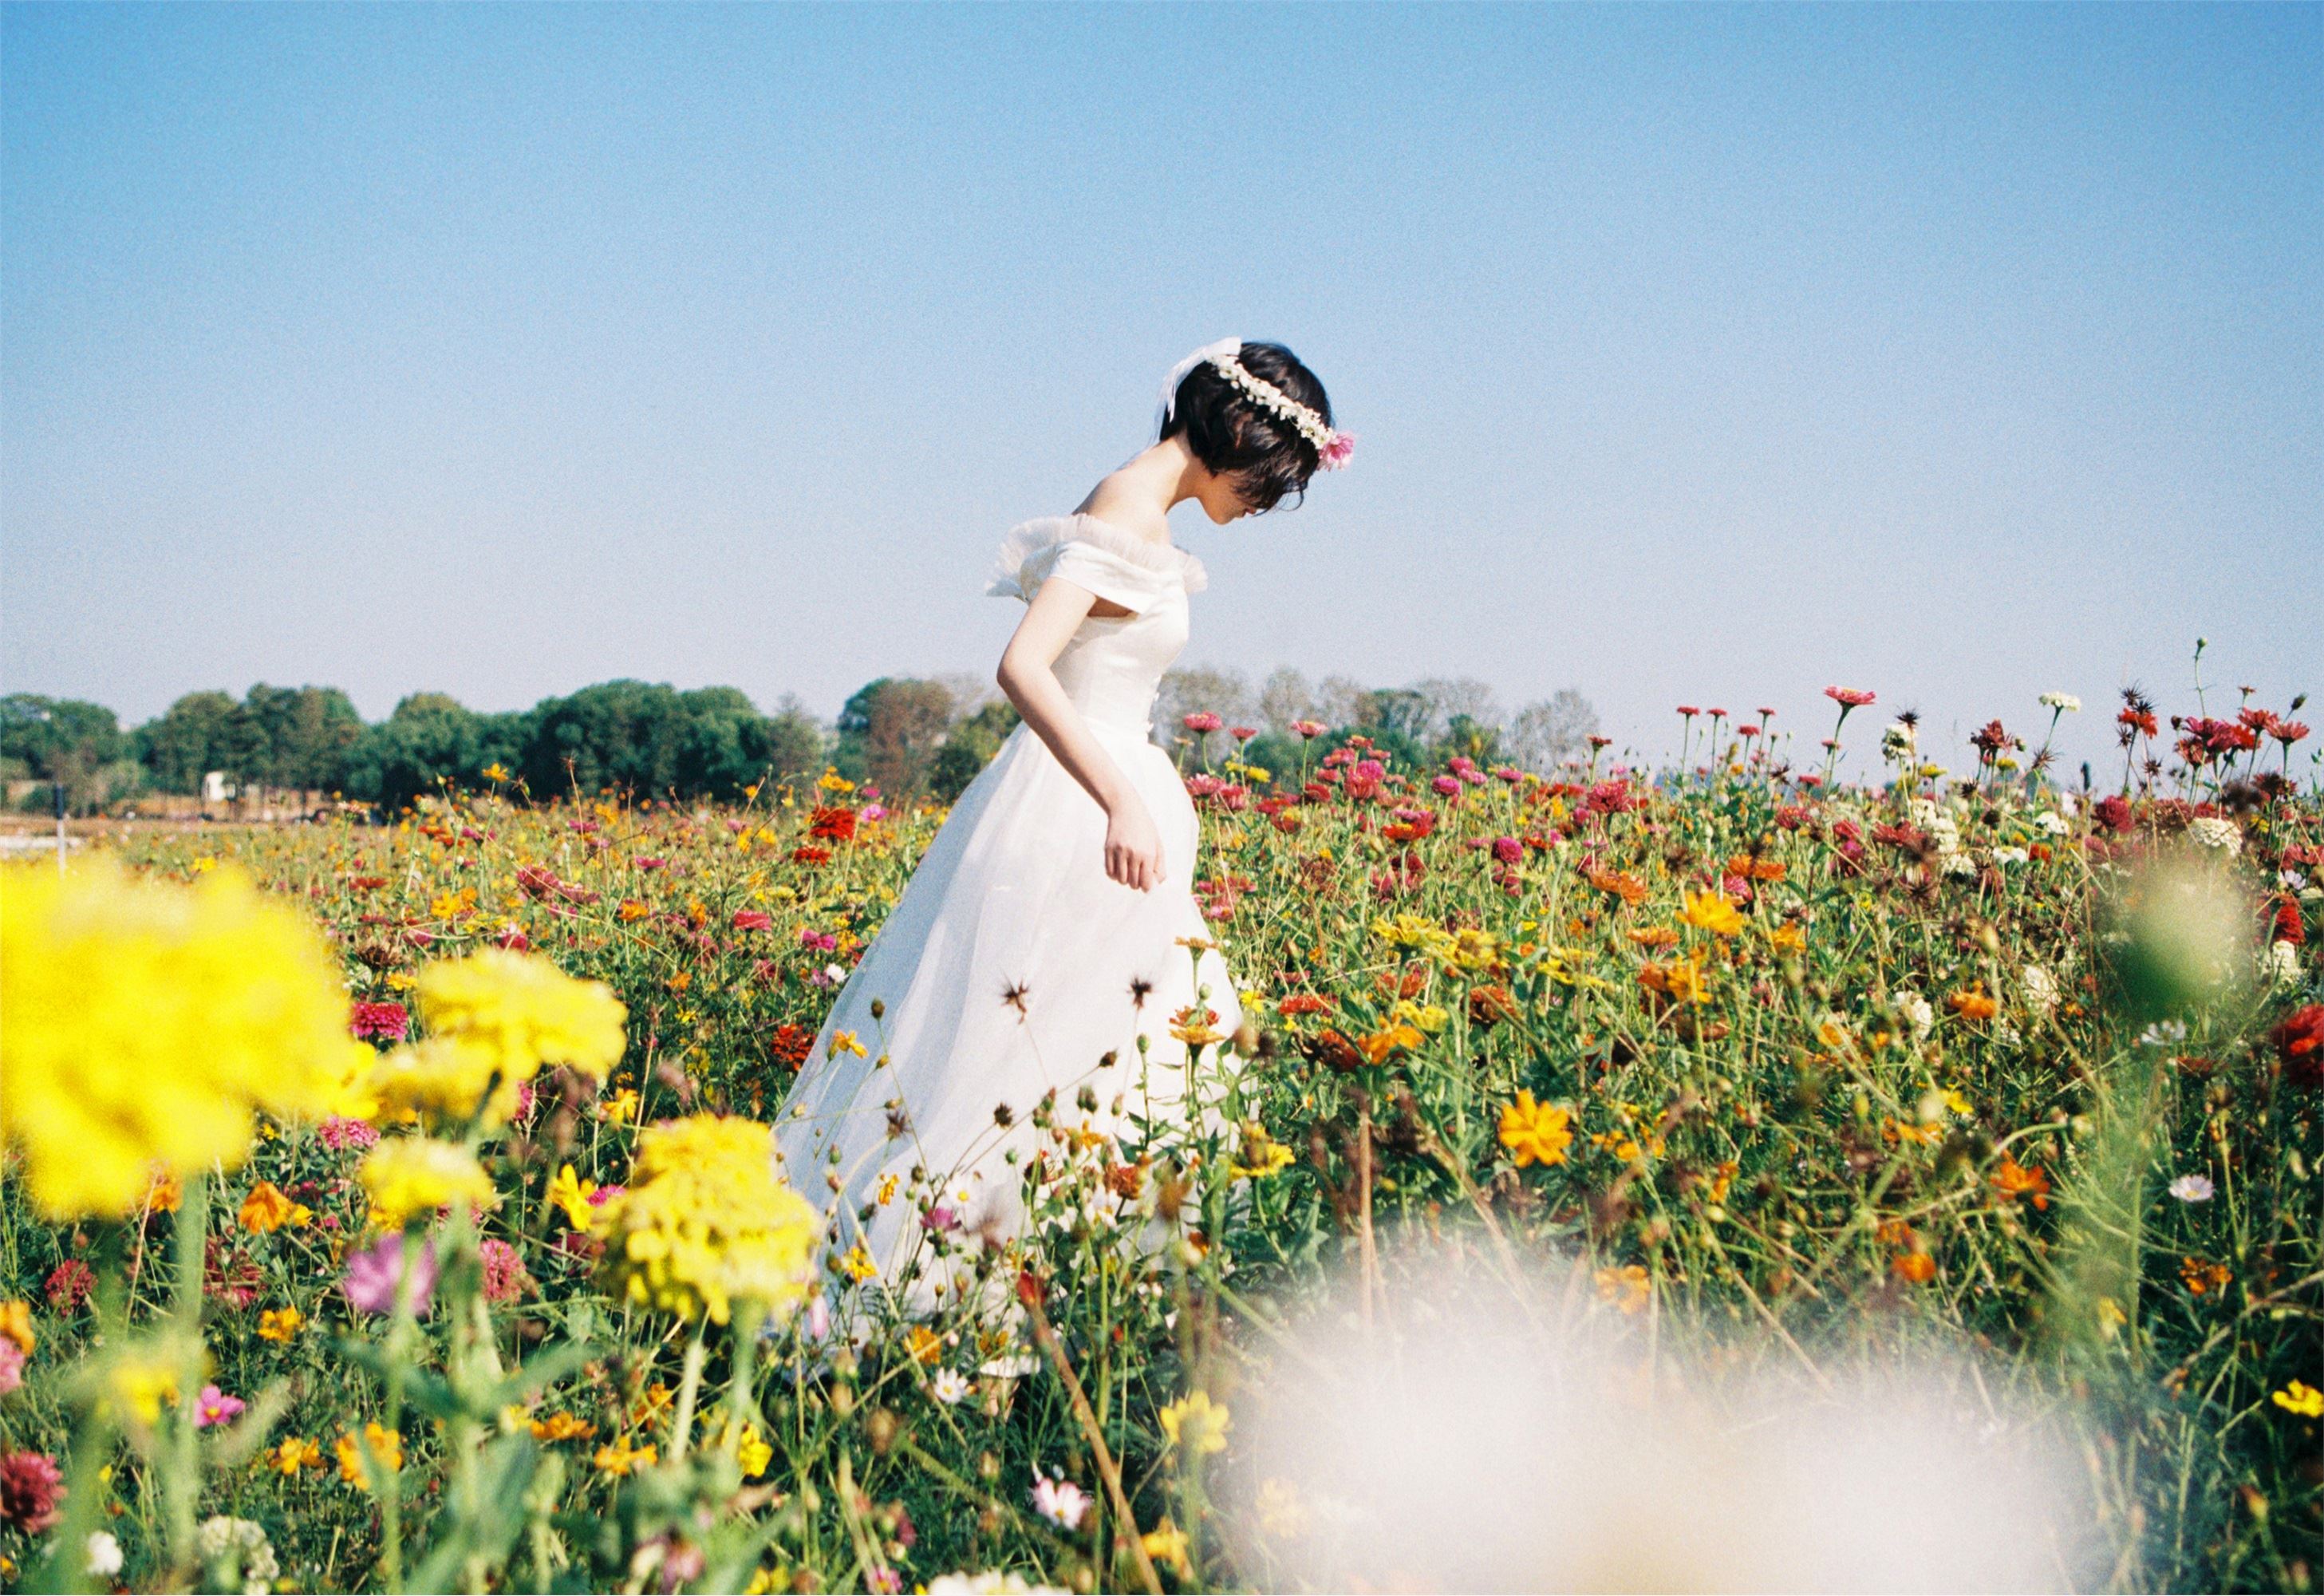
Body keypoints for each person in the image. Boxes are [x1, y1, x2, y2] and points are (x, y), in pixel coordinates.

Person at [771, 338, 1351, 1325]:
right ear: (1240, 431)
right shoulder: (1127, 508)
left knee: (1096, 1050)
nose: (1266, 502)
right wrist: (1119, 797)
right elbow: (1025, 665)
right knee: (1040, 1054)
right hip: (1077, 810)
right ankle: (976, 1303)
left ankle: (1067, 1302)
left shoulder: (1138, 509)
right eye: (1272, 479)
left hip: (1099, 795)